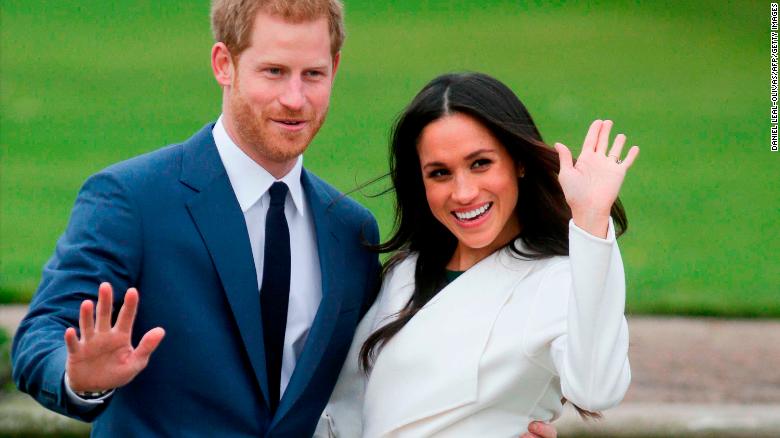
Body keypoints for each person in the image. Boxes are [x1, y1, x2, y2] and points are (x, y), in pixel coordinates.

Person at [11, 1, 380, 436]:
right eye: (274, 71)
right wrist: (78, 380)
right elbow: (44, 332)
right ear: (224, 64)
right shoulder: (130, 199)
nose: (295, 99)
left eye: (312, 74)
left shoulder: (352, 230)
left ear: (334, 68)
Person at [318, 72, 637, 437]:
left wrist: (592, 221)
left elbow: (597, 389)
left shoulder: (557, 279)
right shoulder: (404, 271)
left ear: (518, 161)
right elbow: (345, 409)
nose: (464, 192)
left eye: (480, 163)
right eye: (440, 173)